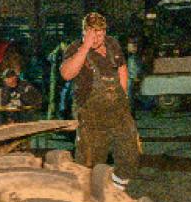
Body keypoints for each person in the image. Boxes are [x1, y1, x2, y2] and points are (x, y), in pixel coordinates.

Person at [60, 12, 139, 191]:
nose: (97, 37)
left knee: (130, 156)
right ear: (84, 32)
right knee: (89, 163)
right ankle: (88, 200)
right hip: (90, 113)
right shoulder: (75, 48)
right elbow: (67, 74)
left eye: (100, 32)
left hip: (118, 109)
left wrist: (124, 96)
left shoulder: (112, 44)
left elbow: (122, 68)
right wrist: (85, 47)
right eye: (92, 33)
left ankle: (115, 190)